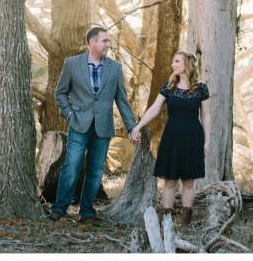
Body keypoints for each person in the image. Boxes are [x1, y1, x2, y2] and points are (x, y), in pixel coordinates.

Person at [49, 26, 138, 222]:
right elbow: (60, 93)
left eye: (109, 41)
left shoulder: (115, 68)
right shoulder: (72, 64)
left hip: (103, 127)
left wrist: (132, 127)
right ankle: (59, 208)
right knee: (71, 166)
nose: (109, 44)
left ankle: (87, 212)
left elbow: (122, 100)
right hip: (79, 124)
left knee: (96, 170)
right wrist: (70, 114)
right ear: (92, 42)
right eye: (105, 41)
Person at [130, 51, 210, 227]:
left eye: (177, 61)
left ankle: (185, 224)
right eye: (173, 61)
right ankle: (167, 221)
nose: (173, 65)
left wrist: (207, 141)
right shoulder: (169, 87)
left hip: (193, 136)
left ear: (187, 64)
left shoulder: (201, 88)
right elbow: (154, 109)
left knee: (189, 181)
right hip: (172, 135)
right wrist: (137, 127)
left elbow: (206, 116)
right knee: (170, 179)